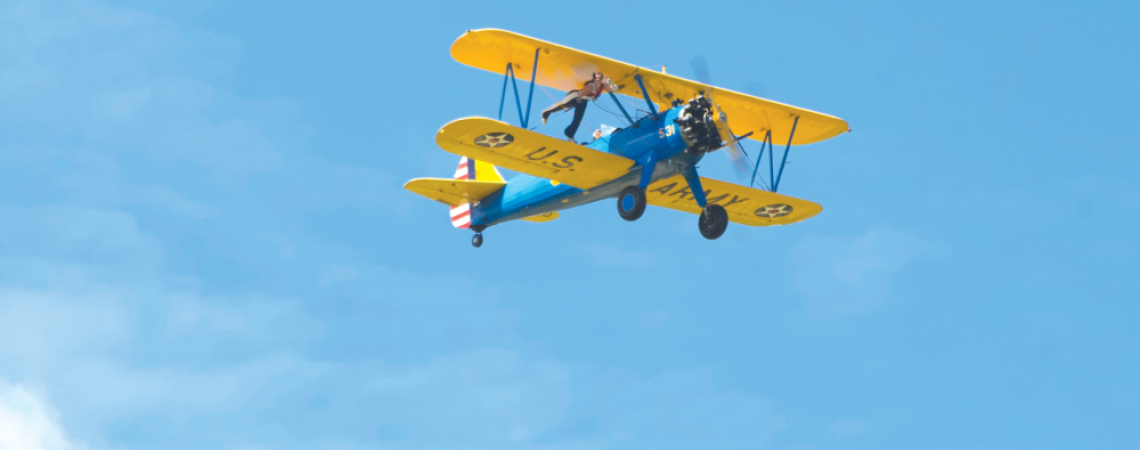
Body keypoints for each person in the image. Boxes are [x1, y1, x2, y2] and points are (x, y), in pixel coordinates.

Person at [541, 72, 619, 143]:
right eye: (596, 79)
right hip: (575, 96)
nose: (598, 80)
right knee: (563, 105)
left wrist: (610, 82)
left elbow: (615, 89)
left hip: (583, 101)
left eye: (600, 79)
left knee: (578, 118)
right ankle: (546, 112)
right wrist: (590, 98)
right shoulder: (591, 86)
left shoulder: (603, 86)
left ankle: (570, 135)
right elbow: (580, 95)